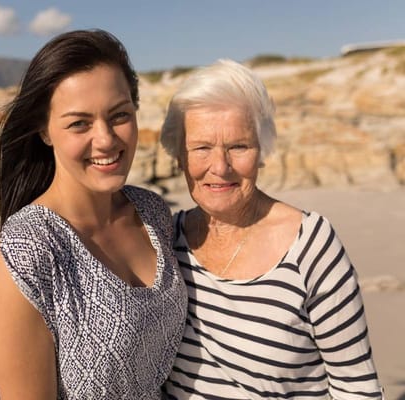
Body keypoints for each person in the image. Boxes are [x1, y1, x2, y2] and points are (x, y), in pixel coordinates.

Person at [0, 29, 187, 399]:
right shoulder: (30, 248)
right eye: (79, 123)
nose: (105, 139)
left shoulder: (152, 213)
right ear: (45, 130)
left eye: (119, 115)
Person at [160, 59, 383, 399]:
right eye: (201, 148)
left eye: (238, 146)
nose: (220, 167)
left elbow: (357, 387)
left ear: (262, 151)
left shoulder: (311, 245)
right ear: (179, 156)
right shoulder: (164, 240)